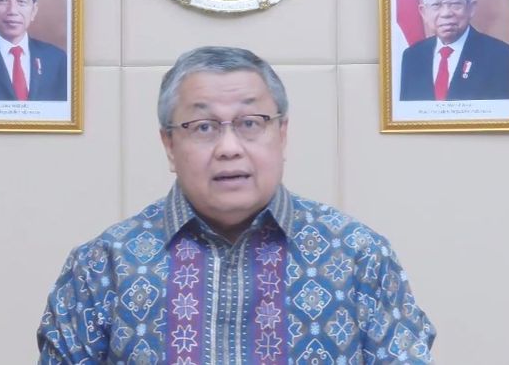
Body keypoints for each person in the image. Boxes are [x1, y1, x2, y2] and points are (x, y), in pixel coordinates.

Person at [37, 46, 436, 364]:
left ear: (282, 134)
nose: (229, 148)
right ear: (169, 145)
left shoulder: (359, 257)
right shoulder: (103, 265)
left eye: (250, 123)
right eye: (204, 127)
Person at [399, 0, 509, 101]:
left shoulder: (502, 56)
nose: (446, 13)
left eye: (455, 4)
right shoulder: (412, 56)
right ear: (423, 12)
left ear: (471, 8)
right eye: (436, 5)